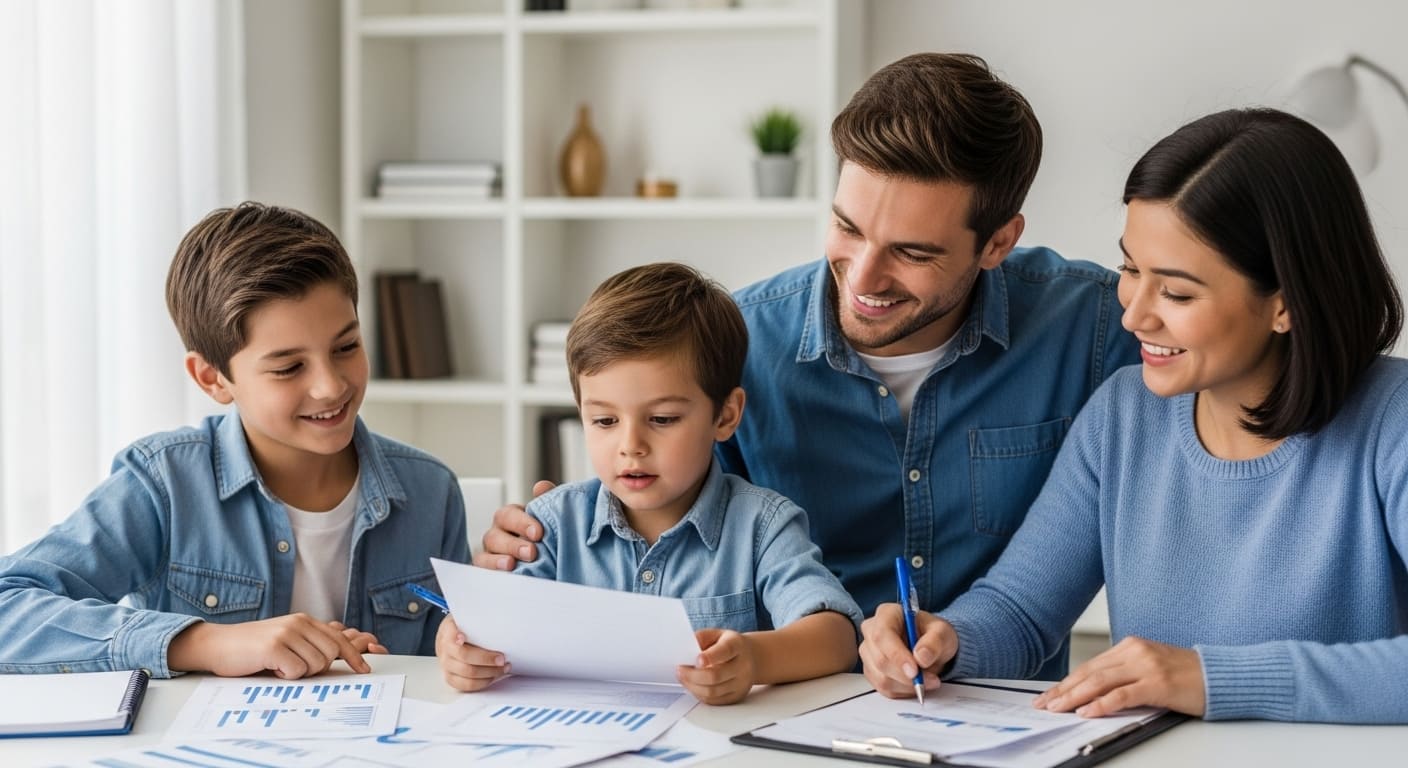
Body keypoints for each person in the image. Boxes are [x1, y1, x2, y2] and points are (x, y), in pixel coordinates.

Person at [477, 53, 1138, 680]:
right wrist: (544, 544)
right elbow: (675, 530)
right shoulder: (741, 343)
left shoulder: (1098, 330)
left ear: (998, 243)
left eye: (910, 251)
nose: (864, 277)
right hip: (784, 716)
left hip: (1003, 715)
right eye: (847, 227)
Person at [860, 107, 1408, 723]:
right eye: (1129, 269)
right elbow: (1021, 609)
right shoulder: (1124, 414)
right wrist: (944, 642)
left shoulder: (1393, 422)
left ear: (1285, 303)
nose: (1134, 315)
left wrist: (1207, 678)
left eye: (1176, 292)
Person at [0, 202, 469, 679]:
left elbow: (457, 665)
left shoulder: (432, 491)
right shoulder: (165, 484)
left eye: (346, 347)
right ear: (212, 378)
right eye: (289, 367)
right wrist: (206, 644)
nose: (331, 385)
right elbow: (8, 610)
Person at [436, 263, 862, 704]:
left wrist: (754, 658)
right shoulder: (552, 526)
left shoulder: (763, 526)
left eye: (662, 419)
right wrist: (458, 646)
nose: (631, 445)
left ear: (725, 415)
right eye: (604, 420)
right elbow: (487, 627)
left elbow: (836, 637)